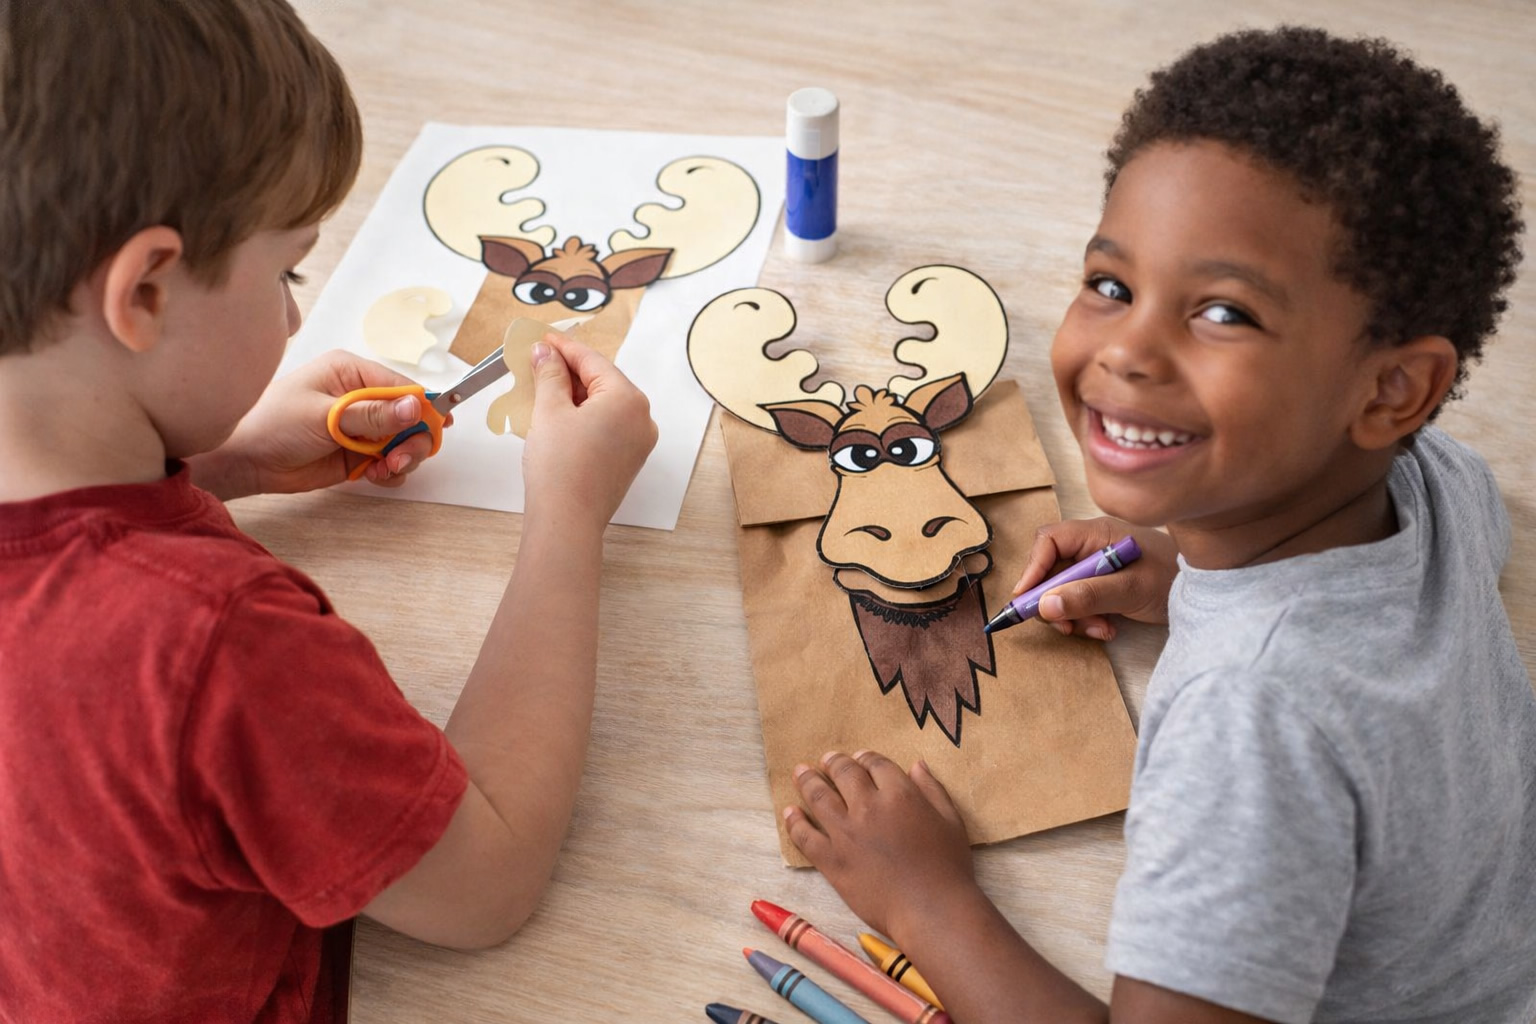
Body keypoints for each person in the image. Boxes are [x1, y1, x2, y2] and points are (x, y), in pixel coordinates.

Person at [782, 25, 1534, 1024]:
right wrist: (1184, 565)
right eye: (1110, 285)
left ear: (1396, 388)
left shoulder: (1248, 723)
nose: (1129, 349)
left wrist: (928, 900)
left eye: (1223, 313)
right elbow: (1483, 518)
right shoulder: (1430, 473)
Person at [0, 2, 656, 1021]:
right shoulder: (220, 646)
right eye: (289, 269)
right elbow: (486, 881)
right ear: (147, 292)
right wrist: (569, 516)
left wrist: (223, 458)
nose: (301, 314)